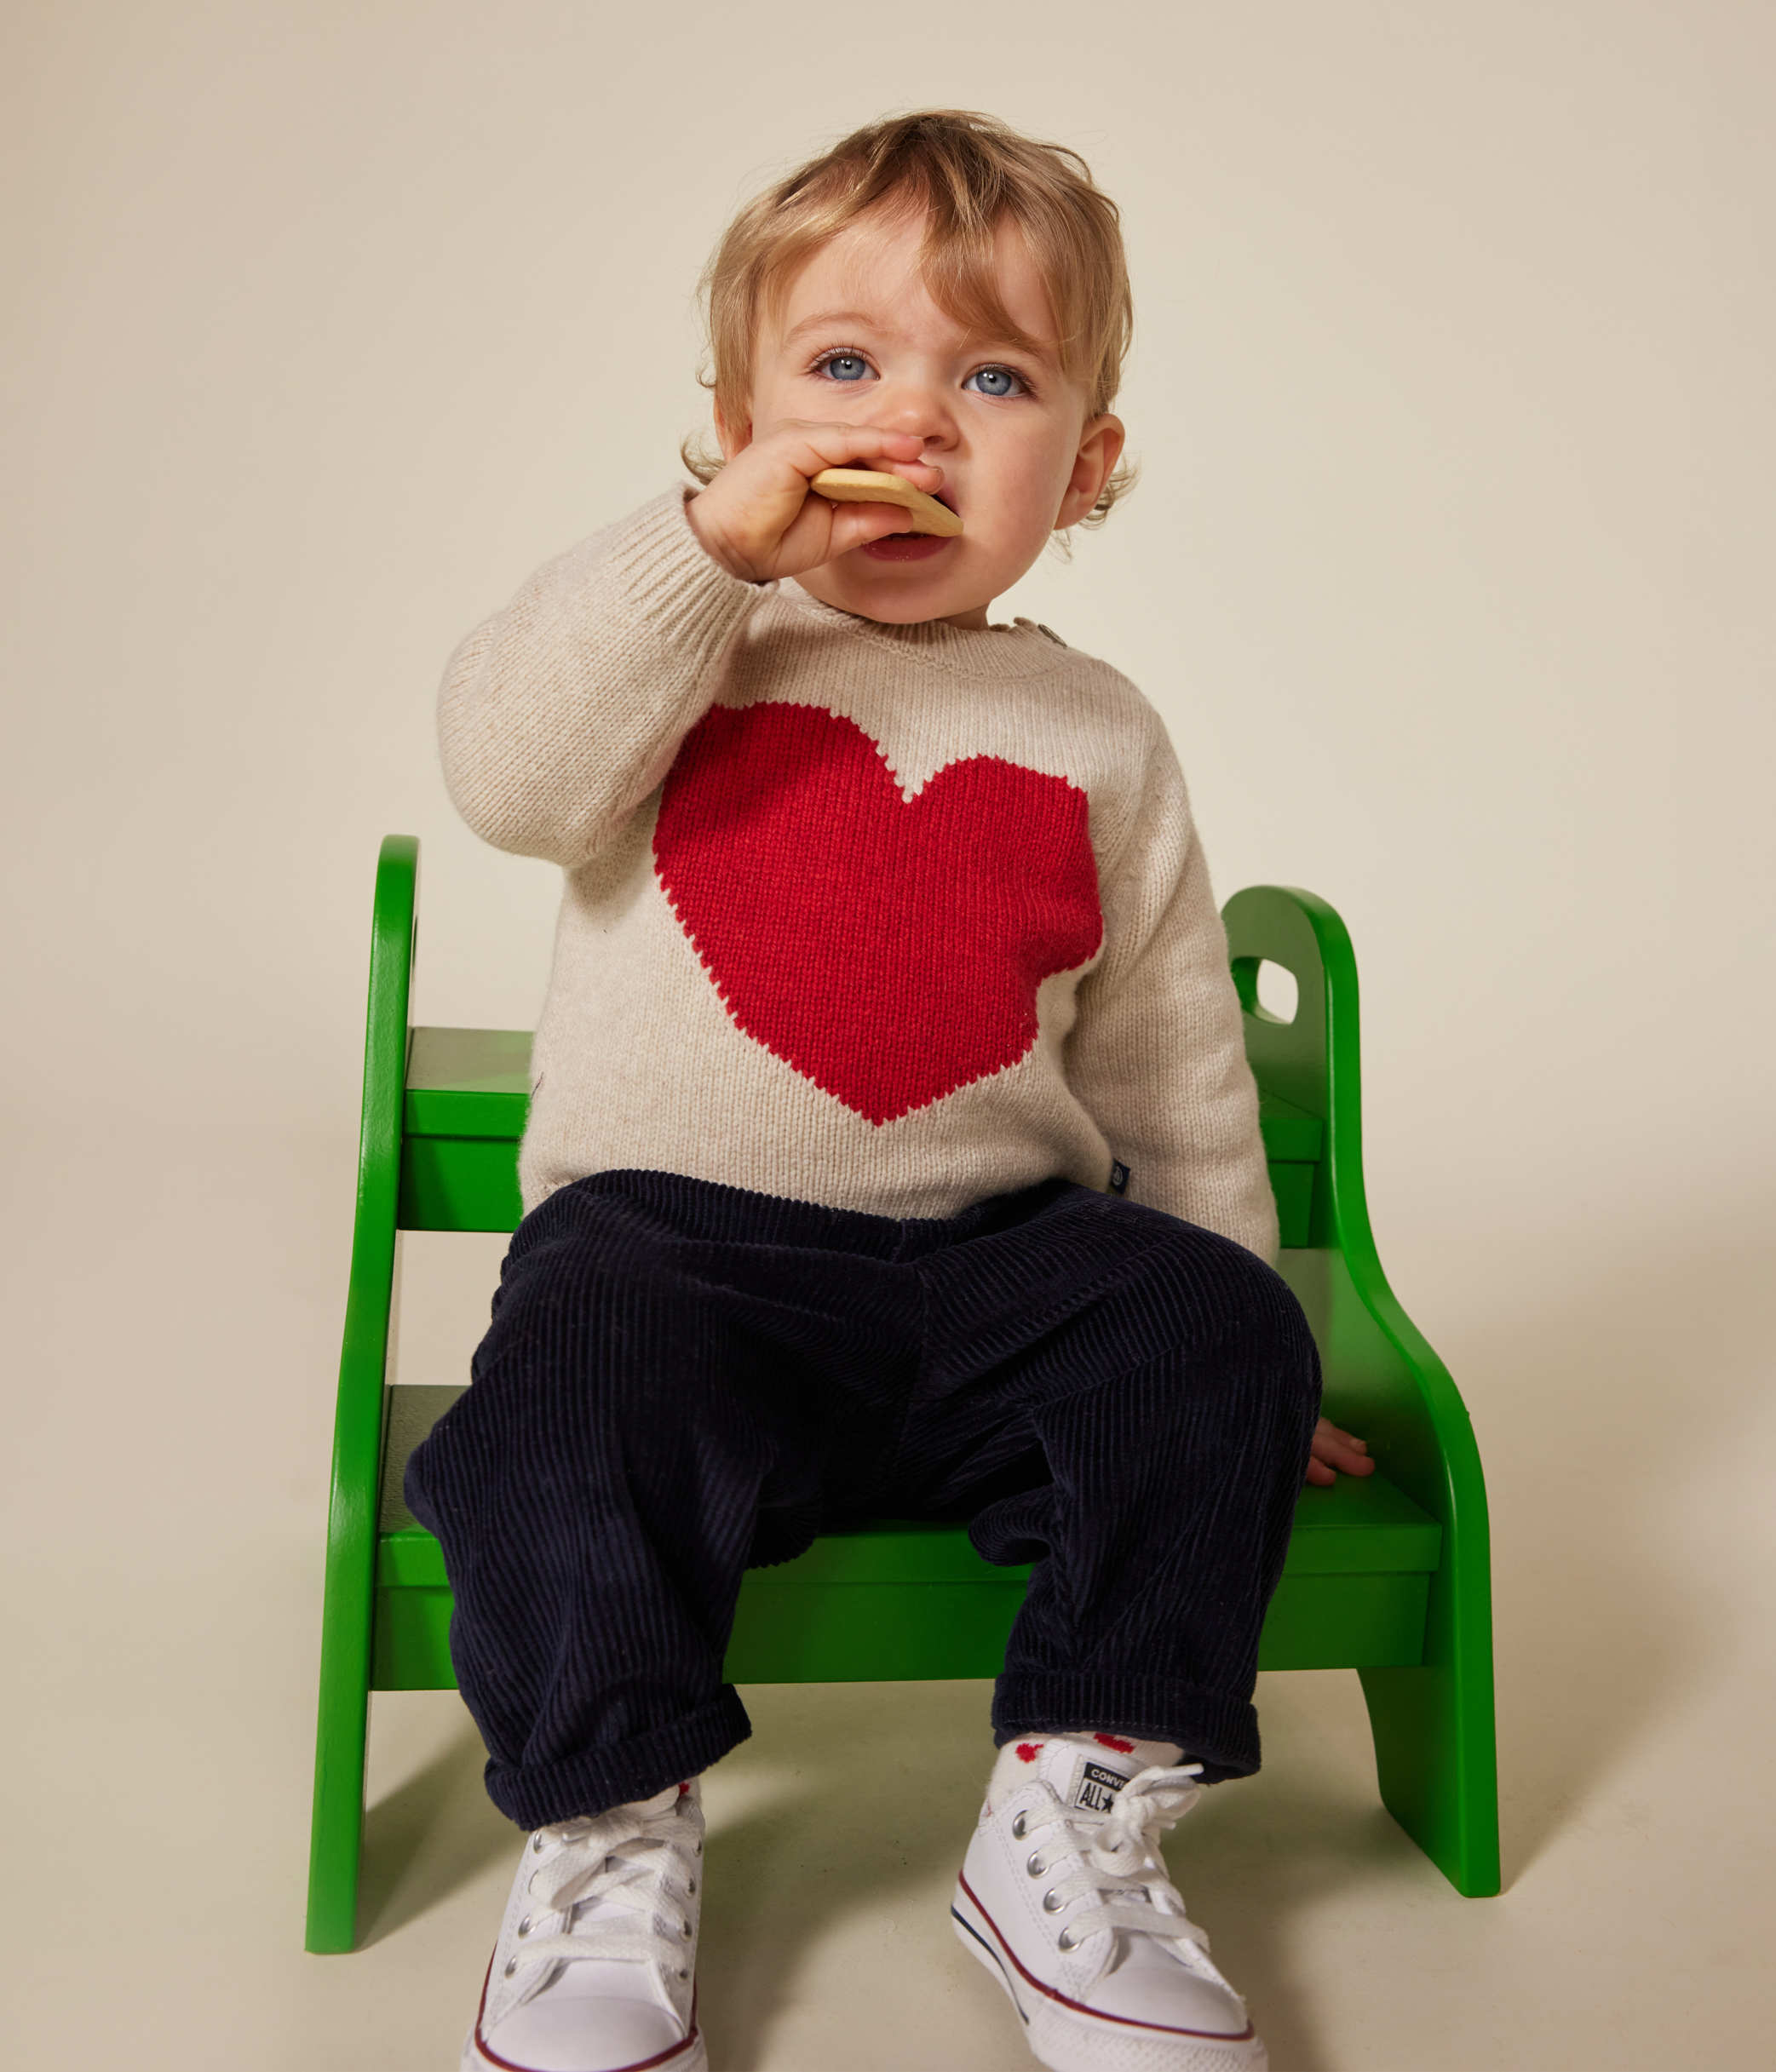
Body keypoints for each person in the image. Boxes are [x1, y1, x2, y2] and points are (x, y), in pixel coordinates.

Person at [407, 107, 1373, 2072]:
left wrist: (1235, 1358)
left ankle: (1072, 1810)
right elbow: (507, 774)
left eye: (992, 377)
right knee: (567, 1365)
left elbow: (1169, 1063)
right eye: (841, 366)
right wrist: (694, 558)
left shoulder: (1095, 728)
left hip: (998, 1271)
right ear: (730, 417)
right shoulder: (685, 649)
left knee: (1203, 1320)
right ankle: (604, 1819)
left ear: (1082, 467)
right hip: (680, 1269)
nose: (911, 422)